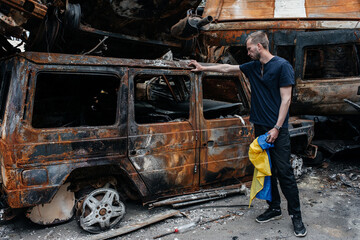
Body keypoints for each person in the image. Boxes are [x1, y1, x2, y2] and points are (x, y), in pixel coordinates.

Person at [188, 31, 307, 237]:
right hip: (260, 127)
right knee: (266, 169)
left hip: (278, 129)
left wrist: (277, 128)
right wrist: (202, 66)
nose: (248, 52)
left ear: (260, 46)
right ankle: (274, 207)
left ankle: (296, 217)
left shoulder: (282, 66)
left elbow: (286, 100)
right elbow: (227, 67)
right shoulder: (253, 67)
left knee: (284, 172)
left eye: (249, 48)